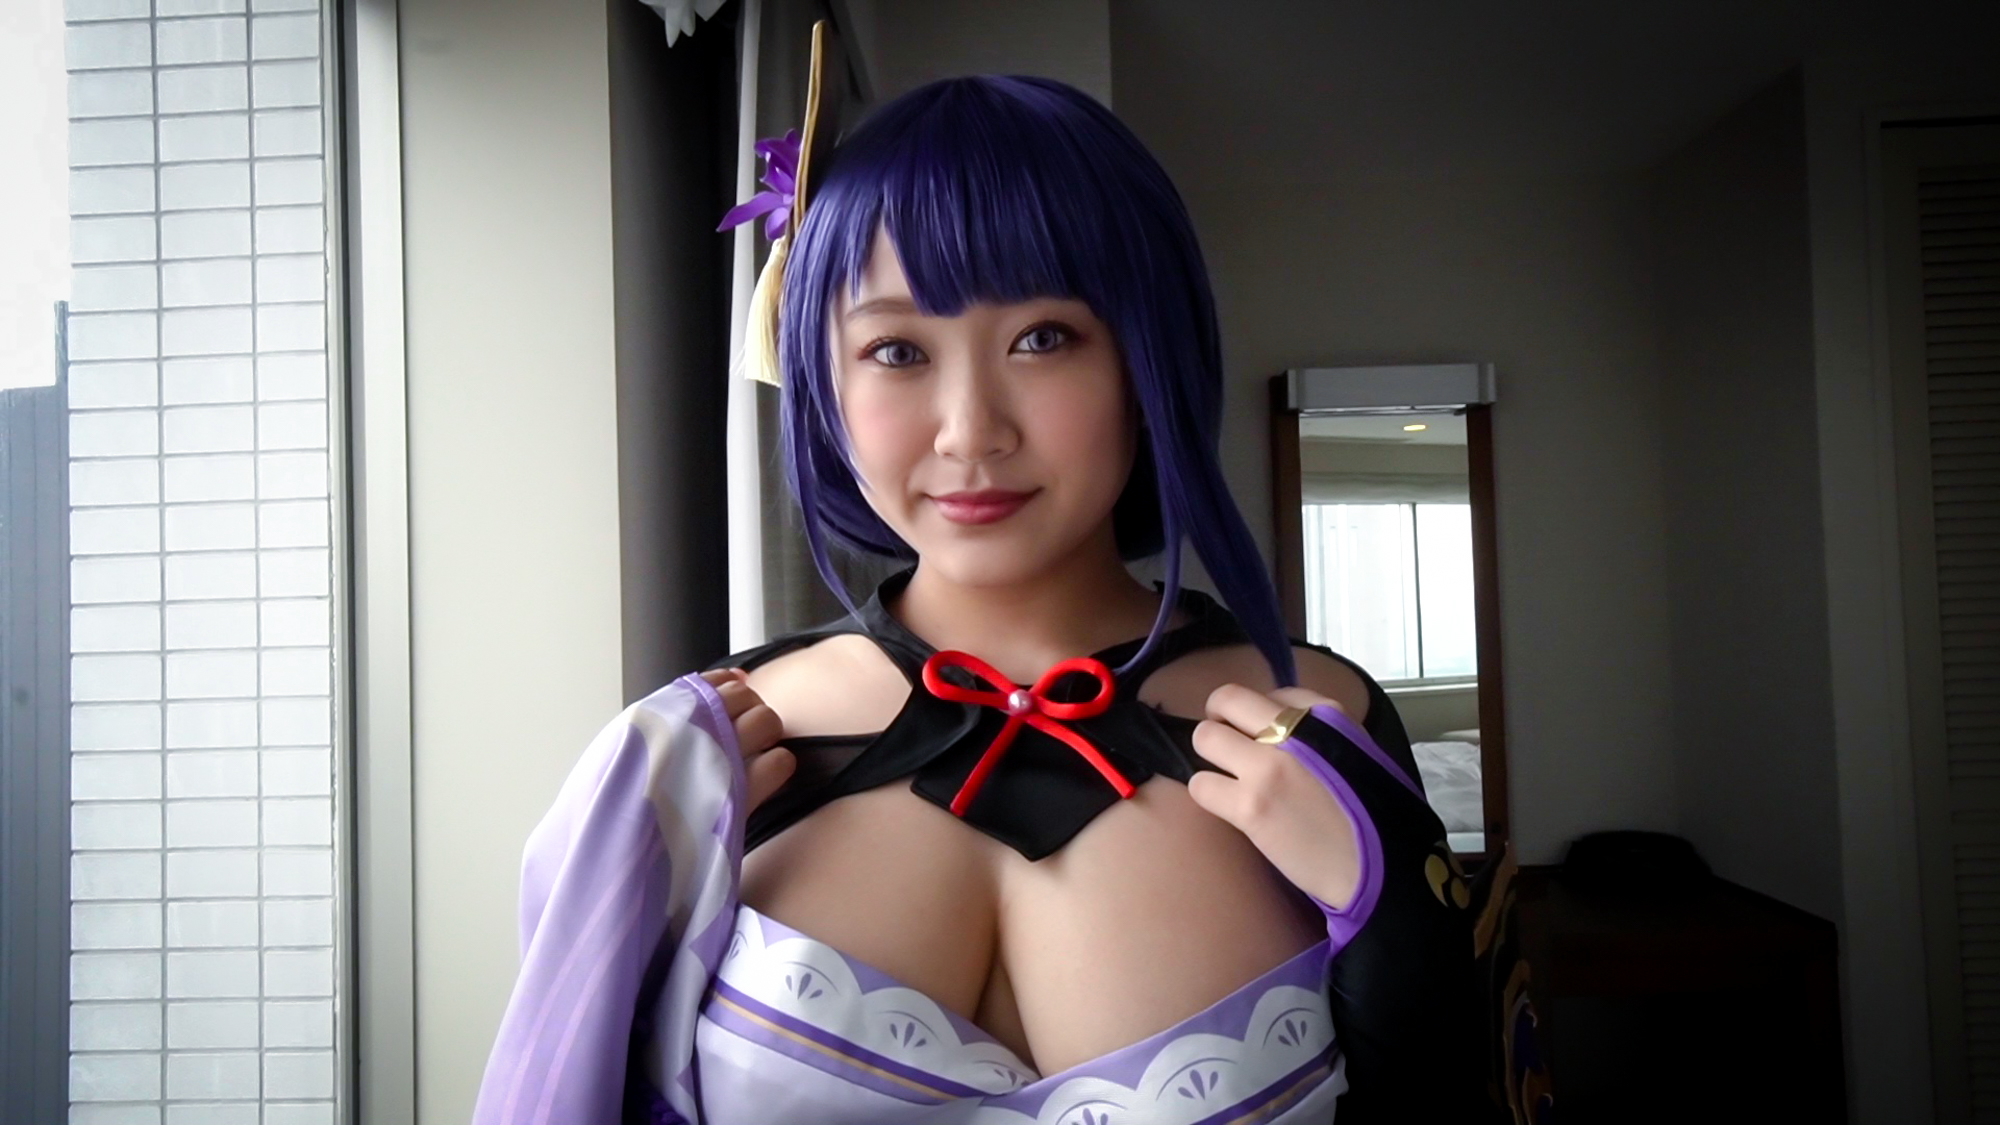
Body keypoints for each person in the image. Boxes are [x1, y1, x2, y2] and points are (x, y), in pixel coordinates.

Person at [474, 74, 1487, 1124]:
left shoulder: (1318, 720)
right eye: (896, 350)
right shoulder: (703, 751)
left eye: (1043, 338)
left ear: (1147, 360)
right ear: (824, 382)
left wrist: (1398, 924)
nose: (970, 431)